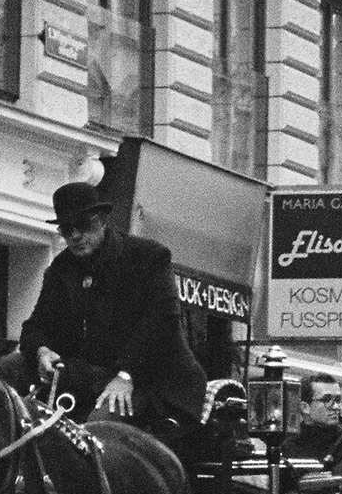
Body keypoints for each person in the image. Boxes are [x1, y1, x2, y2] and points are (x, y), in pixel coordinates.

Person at [18, 182, 206, 434]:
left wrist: (126, 375)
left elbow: (162, 322)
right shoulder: (61, 269)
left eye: (83, 226)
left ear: (102, 221)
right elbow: (35, 325)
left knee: (97, 428)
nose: (74, 236)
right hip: (91, 378)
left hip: (152, 381)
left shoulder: (147, 256)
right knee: (11, 366)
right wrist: (42, 352)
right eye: (66, 229)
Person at [286, 373, 342, 486]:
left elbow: (340, 489)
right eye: (327, 400)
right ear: (305, 407)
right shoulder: (286, 443)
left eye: (338, 400)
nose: (335, 407)